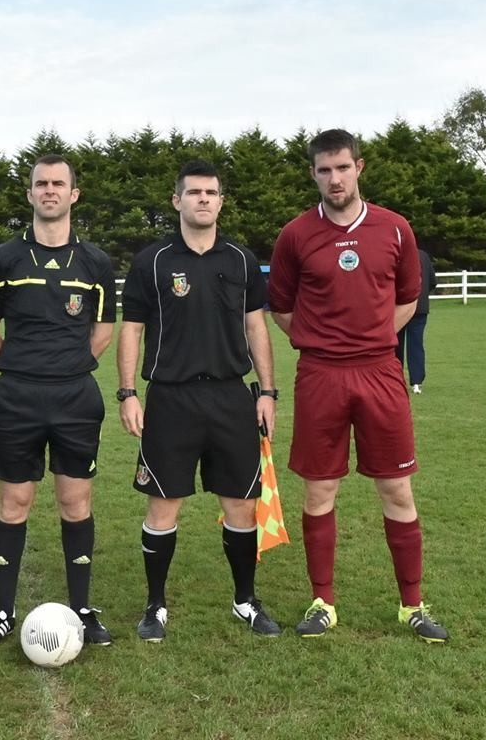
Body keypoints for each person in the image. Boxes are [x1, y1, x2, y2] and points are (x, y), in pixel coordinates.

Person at [267, 128, 448, 643]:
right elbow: (281, 307)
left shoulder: (394, 229)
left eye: (342, 167)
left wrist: (368, 340)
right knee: (320, 488)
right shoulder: (295, 235)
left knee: (396, 487)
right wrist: (323, 342)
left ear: (359, 167)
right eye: (324, 170)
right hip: (320, 374)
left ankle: (412, 605)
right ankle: (323, 602)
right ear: (313, 174)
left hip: (380, 372)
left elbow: (408, 298)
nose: (335, 178)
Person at [118, 160, 282, 642]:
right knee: (163, 505)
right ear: (177, 201)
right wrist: (128, 393)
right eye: (194, 192)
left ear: (221, 201)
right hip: (170, 398)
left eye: (211, 192)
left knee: (241, 505)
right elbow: (131, 329)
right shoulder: (151, 261)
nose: (203, 199)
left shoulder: (241, 260)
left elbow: (256, 326)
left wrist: (268, 391)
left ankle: (245, 600)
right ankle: (155, 605)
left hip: (231, 397)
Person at [0, 154, 117, 648]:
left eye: (58, 183)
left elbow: (103, 332)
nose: (49, 190)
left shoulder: (95, 262)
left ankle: (82, 609)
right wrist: (21, 368)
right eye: (41, 183)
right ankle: (2, 611)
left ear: (73, 194)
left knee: (75, 502)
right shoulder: (5, 259)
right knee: (14, 502)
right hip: (18, 399)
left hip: (76, 399)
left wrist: (67, 366)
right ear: (30, 194)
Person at [396, 249, 437, 394]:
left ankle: (396, 378)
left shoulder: (397, 255)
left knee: (396, 345)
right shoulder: (424, 256)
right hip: (420, 308)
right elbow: (432, 281)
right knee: (416, 344)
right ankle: (417, 382)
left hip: (399, 307)